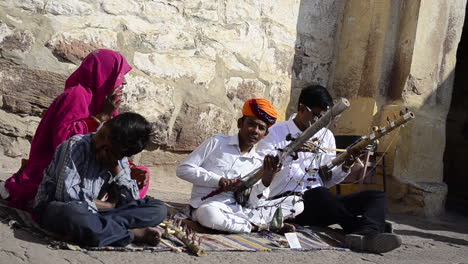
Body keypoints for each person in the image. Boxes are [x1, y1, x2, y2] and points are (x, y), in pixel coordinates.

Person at [256, 85, 402, 253]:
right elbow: (263, 169)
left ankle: (368, 231)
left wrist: (345, 165)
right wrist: (292, 151)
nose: (322, 122)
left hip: (323, 203)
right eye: (318, 116)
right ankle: (369, 228)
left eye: (326, 118)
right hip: (289, 204)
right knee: (320, 195)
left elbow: (329, 180)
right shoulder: (275, 132)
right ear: (303, 108)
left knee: (377, 196)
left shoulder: (326, 136)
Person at [0, 49, 150, 210]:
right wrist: (102, 116)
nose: (124, 82)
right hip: (61, 166)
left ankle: (105, 205)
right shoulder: (76, 95)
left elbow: (114, 142)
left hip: (93, 165)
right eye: (120, 75)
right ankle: (104, 207)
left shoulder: (107, 102)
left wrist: (129, 168)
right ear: (104, 73)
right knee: (51, 195)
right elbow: (64, 141)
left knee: (140, 175)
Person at [33, 112, 167, 247]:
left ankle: (100, 228)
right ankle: (131, 234)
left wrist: (115, 168)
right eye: (102, 135)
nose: (99, 146)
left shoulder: (118, 157)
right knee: (74, 213)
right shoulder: (75, 145)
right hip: (56, 208)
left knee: (158, 209)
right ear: (105, 125)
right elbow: (67, 197)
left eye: (110, 149)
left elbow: (130, 201)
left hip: (96, 213)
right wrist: (109, 205)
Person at [176, 99, 303, 233]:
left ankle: (249, 223)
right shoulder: (217, 142)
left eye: (261, 128)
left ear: (265, 134)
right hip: (208, 205)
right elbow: (184, 169)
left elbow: (253, 204)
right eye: (251, 124)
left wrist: (266, 180)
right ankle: (258, 226)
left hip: (240, 210)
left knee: (297, 203)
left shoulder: (258, 162)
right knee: (209, 216)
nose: (255, 131)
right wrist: (218, 181)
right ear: (240, 123)